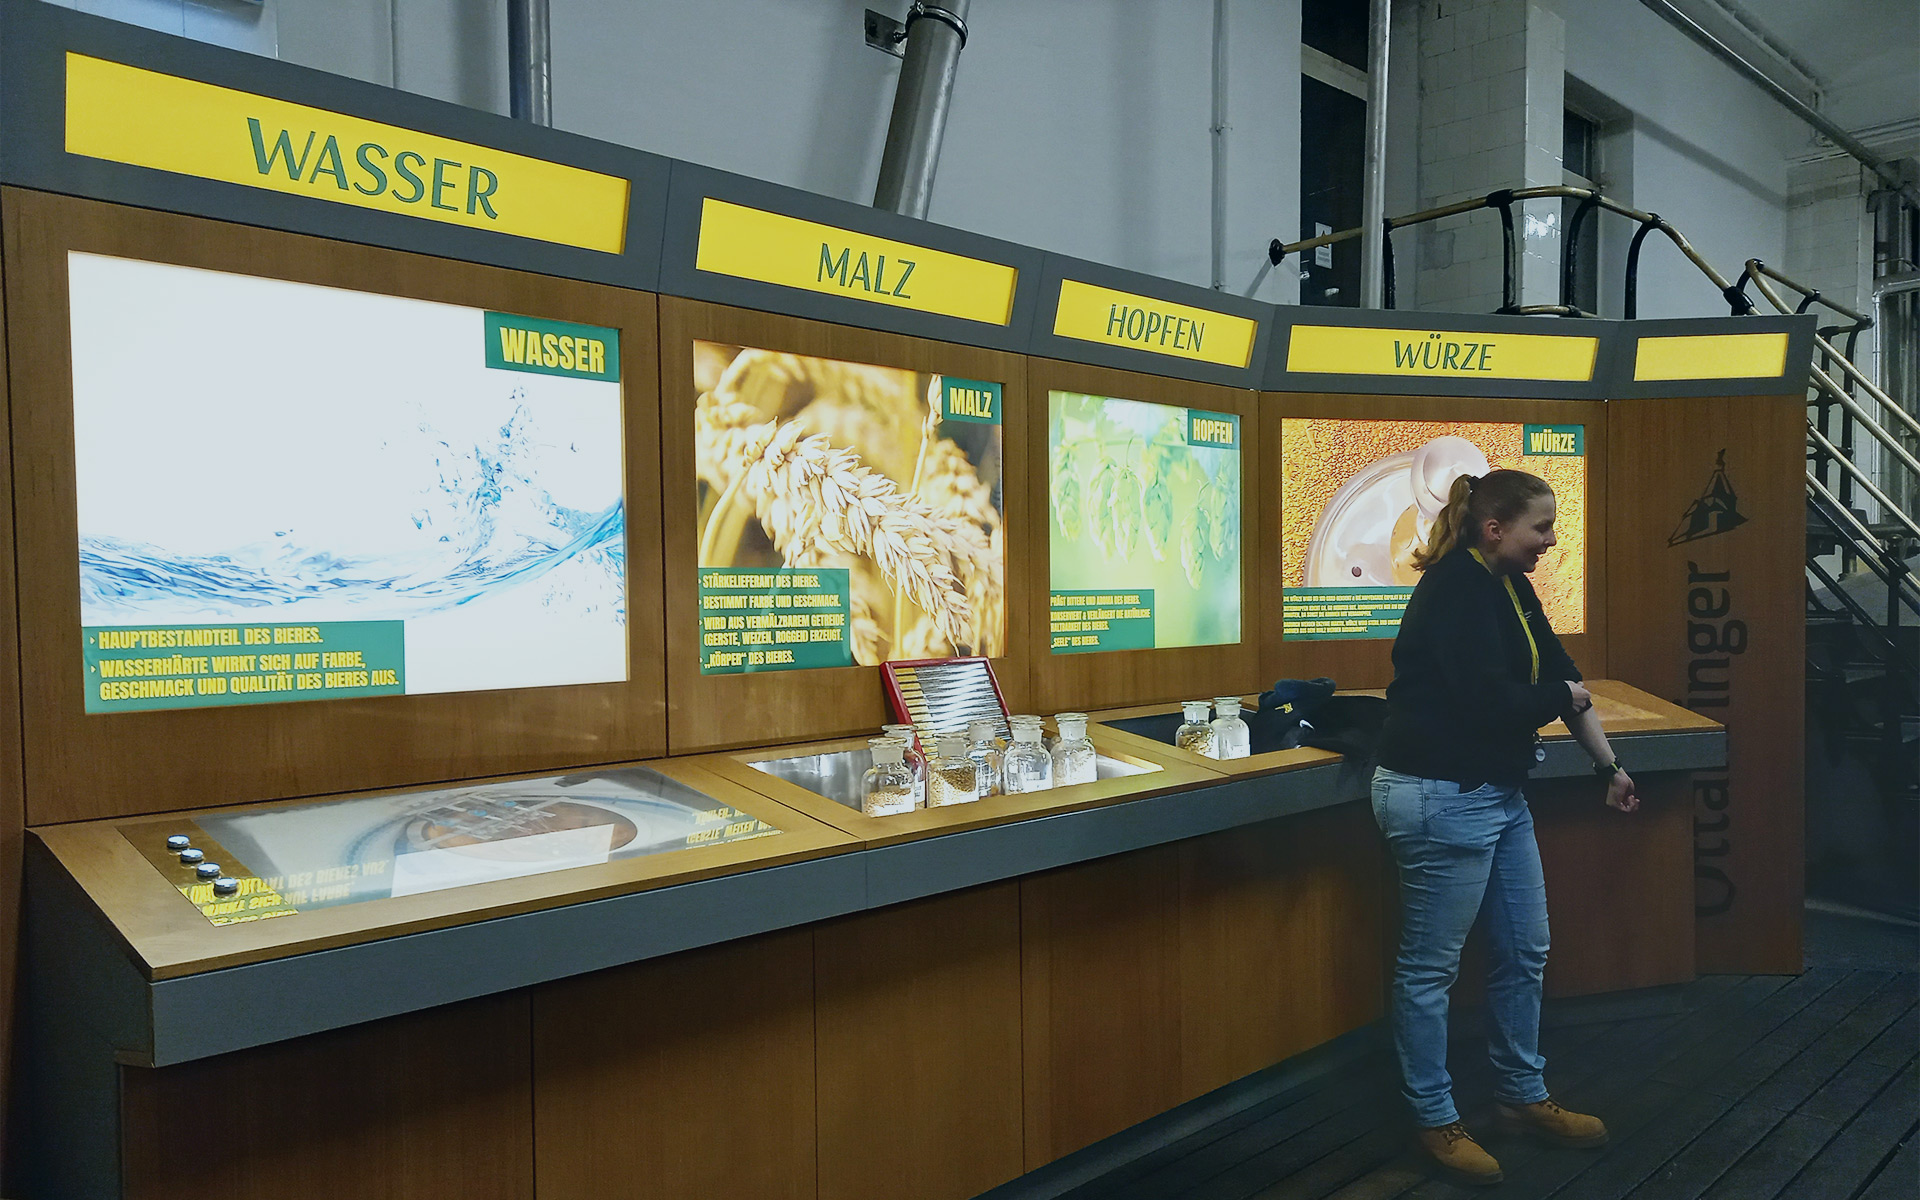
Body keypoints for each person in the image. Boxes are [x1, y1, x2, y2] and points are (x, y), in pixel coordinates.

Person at [1370, 467, 1638, 1187]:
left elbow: (1562, 674)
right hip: (1439, 795)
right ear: (1495, 529)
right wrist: (1561, 694)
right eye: (1541, 529)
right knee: (1430, 970)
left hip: (1496, 792)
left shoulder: (1510, 585)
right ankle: (1435, 1118)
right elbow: (1495, 702)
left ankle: (1521, 1098)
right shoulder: (1454, 588)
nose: (1550, 542)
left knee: (1525, 948)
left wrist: (1607, 767)